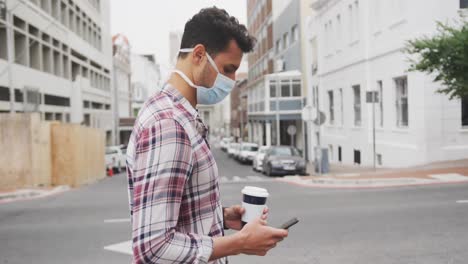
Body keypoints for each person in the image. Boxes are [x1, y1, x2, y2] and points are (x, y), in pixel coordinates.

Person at [126, 6, 288, 264]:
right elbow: (153, 247)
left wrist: (219, 216)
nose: (233, 80)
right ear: (199, 55)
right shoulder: (170, 125)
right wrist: (240, 243)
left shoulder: (175, 113)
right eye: (227, 69)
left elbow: (175, 213)